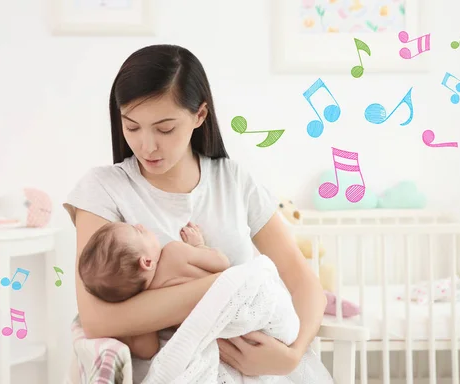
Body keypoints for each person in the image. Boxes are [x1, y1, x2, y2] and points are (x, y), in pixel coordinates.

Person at [64, 44, 327, 381]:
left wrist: (291, 357)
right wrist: (225, 287)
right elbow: (99, 319)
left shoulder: (233, 180)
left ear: (199, 115)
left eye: (164, 129)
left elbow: (303, 281)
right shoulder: (101, 189)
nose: (147, 145)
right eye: (132, 127)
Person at [78, 220, 230, 359]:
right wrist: (198, 245)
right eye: (138, 232)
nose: (140, 225)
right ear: (147, 262)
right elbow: (222, 263)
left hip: (219, 337)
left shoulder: (145, 308)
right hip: (232, 304)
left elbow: (148, 350)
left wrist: (125, 334)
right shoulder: (175, 252)